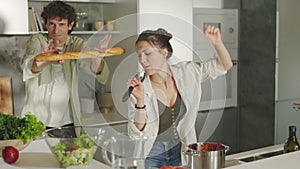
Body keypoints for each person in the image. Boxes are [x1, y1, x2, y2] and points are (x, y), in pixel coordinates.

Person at [127, 26, 233, 168]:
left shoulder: (188, 72)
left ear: (164, 52)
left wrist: (217, 43)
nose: (142, 60)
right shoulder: (139, 86)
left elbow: (224, 65)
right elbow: (136, 133)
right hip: (151, 154)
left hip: (183, 150)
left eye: (147, 53)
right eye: (139, 55)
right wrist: (140, 102)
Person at [20, 1, 110, 129]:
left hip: (69, 121)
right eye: (52, 24)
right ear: (46, 24)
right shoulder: (37, 41)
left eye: (61, 24)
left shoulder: (76, 44)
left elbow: (94, 68)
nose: (56, 30)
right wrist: (46, 59)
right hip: (37, 120)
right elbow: (28, 65)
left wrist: (97, 58)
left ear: (70, 25)